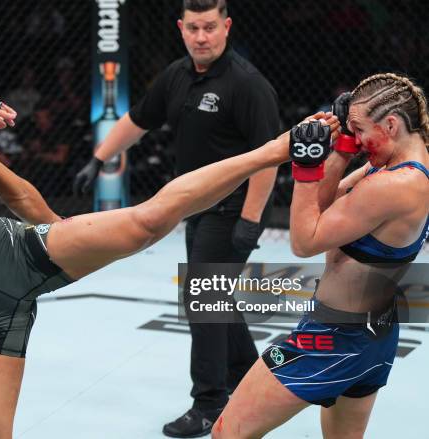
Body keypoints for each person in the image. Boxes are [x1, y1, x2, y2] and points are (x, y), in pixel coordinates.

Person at [0, 36, 337, 439]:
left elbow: (21, 196)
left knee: (147, 221)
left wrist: (70, 237)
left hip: (11, 253)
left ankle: (276, 149)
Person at [73, 0, 280, 436]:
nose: (201, 37)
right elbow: (138, 119)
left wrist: (250, 221)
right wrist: (100, 157)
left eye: (209, 27)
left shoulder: (247, 84)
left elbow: (268, 159)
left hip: (233, 209)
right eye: (193, 28)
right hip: (194, 209)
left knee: (203, 299)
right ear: (181, 28)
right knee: (214, 298)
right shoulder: (176, 75)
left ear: (226, 27)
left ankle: (209, 404)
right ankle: (250, 376)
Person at [212, 73, 429, 438]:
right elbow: (325, 205)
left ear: (390, 124)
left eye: (360, 130)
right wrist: (342, 148)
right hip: (373, 335)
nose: (359, 140)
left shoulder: (394, 185)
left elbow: (305, 239)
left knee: (226, 432)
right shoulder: (398, 165)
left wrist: (306, 166)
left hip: (332, 338)